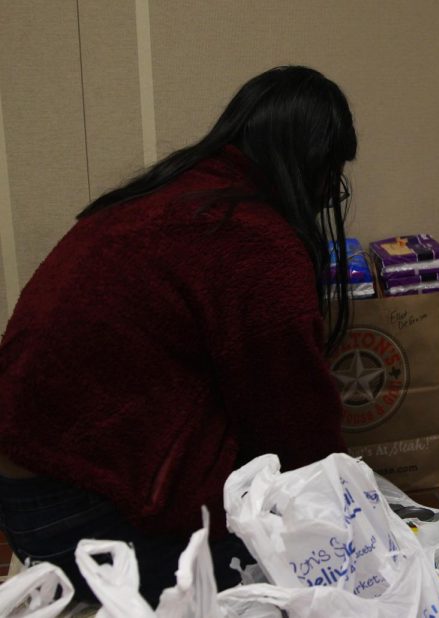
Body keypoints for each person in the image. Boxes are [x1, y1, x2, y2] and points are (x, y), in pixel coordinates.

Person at [0, 65, 356, 604]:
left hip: (22, 492)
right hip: (79, 513)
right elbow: (295, 421)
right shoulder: (252, 238)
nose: (331, 192)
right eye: (333, 174)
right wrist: (350, 513)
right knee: (288, 570)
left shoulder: (169, 195)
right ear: (312, 162)